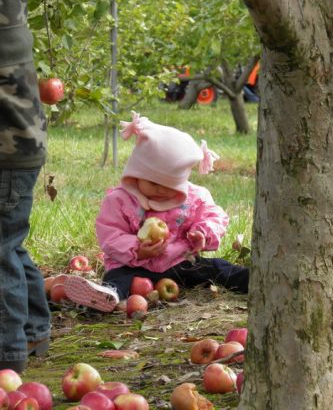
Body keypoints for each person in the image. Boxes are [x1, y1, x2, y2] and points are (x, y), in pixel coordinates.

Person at [63, 112, 249, 312]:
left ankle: (250, 280)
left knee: (215, 268)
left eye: (171, 186)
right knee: (118, 278)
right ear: (136, 172)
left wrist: (203, 233)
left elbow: (214, 216)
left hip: (179, 261)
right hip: (134, 267)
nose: (161, 190)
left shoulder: (194, 197)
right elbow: (110, 234)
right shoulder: (120, 200)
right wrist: (137, 249)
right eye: (153, 182)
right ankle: (106, 296)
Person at [0, 0, 51, 372]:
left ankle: (7, 354)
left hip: (6, 155)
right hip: (23, 153)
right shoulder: (12, 5)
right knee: (10, 243)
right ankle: (35, 329)